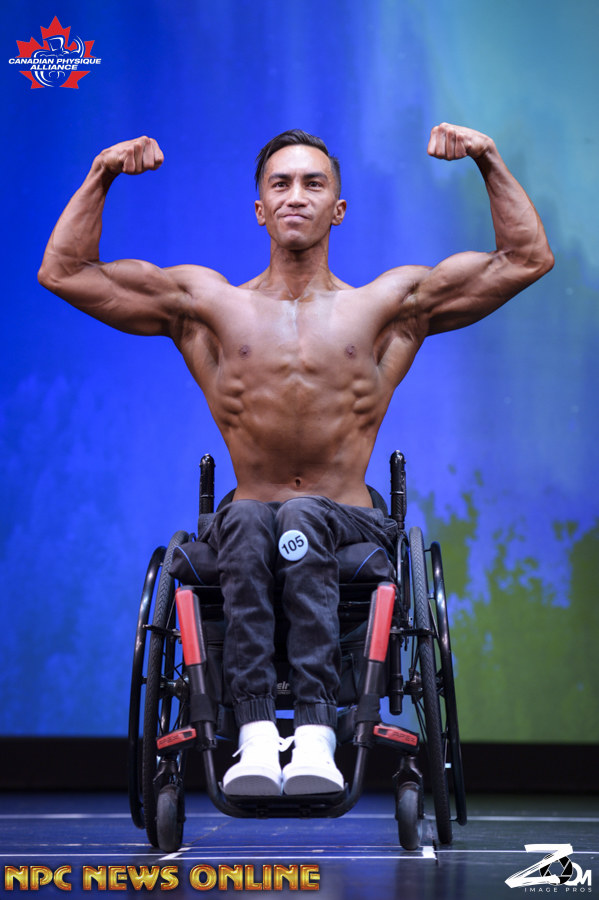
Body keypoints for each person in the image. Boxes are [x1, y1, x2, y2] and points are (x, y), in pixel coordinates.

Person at [38, 123, 554, 796]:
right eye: (280, 184)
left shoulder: (385, 306)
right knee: (254, 515)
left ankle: (314, 738)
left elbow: (524, 259)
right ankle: (255, 738)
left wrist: (487, 157)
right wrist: (102, 172)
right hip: (247, 522)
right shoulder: (208, 306)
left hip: (349, 521)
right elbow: (65, 272)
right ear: (259, 208)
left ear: (338, 208)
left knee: (301, 511)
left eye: (313, 183)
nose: (295, 195)